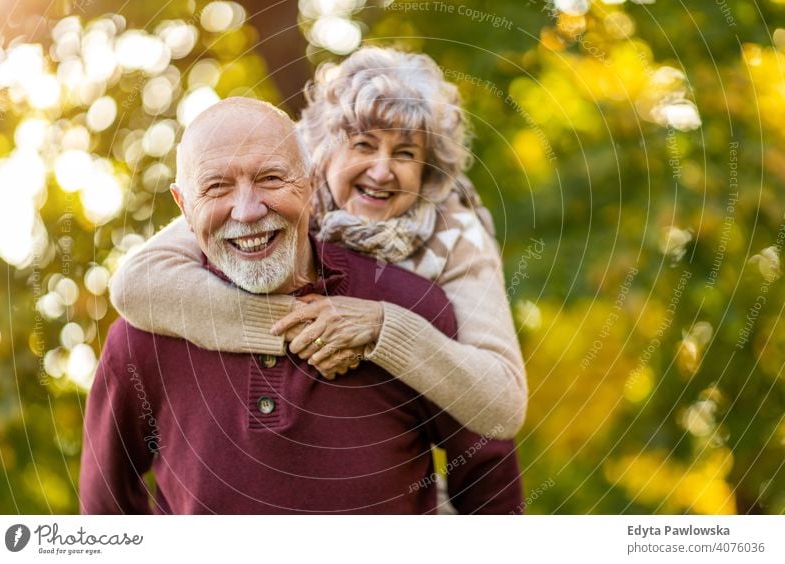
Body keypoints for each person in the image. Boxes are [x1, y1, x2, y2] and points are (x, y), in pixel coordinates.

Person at [80, 98, 521, 514]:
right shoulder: (142, 338)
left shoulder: (413, 304)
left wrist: (384, 331)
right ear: (183, 204)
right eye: (216, 187)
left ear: (312, 184)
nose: (248, 211)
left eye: (271, 178)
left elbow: (491, 487)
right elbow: (106, 512)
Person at [110, 47, 527, 440]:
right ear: (321, 153)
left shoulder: (456, 235)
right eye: (363, 144)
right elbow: (137, 283)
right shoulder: (275, 192)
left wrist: (381, 327)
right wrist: (299, 327)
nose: (381, 172)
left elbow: (502, 403)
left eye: (404, 153)